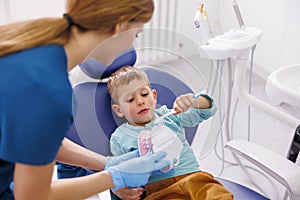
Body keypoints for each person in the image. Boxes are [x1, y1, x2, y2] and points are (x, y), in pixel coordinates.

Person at [0, 0, 173, 199]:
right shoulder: (49, 91)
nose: (131, 44)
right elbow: (32, 196)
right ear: (120, 27)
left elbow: (40, 139)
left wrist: (107, 163)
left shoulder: (31, 44)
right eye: (135, 35)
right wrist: (113, 177)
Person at [107, 66, 234, 200]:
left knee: (215, 193)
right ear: (119, 110)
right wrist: (118, 190)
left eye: (144, 94)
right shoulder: (119, 138)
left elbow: (206, 111)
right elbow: (120, 174)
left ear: (154, 96)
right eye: (130, 100)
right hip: (159, 191)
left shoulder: (171, 115)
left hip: (193, 178)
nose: (140, 101)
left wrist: (195, 102)